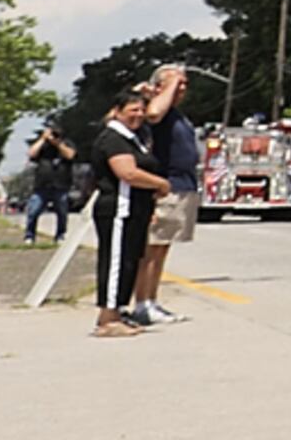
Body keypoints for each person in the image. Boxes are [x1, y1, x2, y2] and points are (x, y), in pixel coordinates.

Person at [85, 86, 167, 339]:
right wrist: (160, 184)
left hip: (136, 210)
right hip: (117, 209)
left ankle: (119, 311)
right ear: (118, 112)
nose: (139, 115)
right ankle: (107, 318)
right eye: (133, 110)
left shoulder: (134, 139)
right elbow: (127, 173)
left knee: (130, 261)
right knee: (115, 262)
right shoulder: (113, 139)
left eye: (142, 110)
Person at [128, 67, 202, 323]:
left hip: (183, 185)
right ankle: (141, 303)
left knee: (162, 249)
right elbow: (154, 113)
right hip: (165, 185)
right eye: (176, 83)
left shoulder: (176, 113)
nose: (182, 88)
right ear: (159, 86)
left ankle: (152, 300)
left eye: (184, 84)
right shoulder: (157, 108)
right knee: (150, 249)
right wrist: (167, 85)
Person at [21, 131, 73, 243]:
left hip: (61, 185)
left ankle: (60, 235)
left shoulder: (66, 143)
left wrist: (58, 144)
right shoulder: (43, 147)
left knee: (62, 212)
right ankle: (30, 235)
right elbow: (31, 153)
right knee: (33, 211)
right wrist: (42, 139)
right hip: (41, 186)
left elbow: (70, 155)